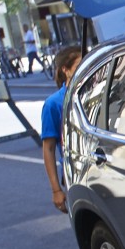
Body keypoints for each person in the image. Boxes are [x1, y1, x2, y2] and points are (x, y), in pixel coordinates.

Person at [41, 46, 85, 213]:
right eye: (79, 66)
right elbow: (49, 148)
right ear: (66, 70)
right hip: (75, 175)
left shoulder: (96, 92)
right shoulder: (53, 104)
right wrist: (56, 190)